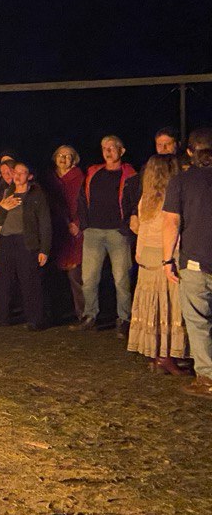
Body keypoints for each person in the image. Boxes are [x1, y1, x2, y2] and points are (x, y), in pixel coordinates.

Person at [161, 127, 212, 398]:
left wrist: (167, 259)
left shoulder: (181, 181)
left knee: (198, 320)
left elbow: (171, 221)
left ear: (190, 152)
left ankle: (207, 377)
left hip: (195, 260)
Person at [127, 155, 188, 373]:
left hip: (147, 255)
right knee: (168, 306)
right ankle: (165, 355)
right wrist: (172, 257)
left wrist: (139, 254)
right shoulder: (170, 198)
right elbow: (171, 229)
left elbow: (142, 228)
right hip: (165, 254)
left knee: (153, 304)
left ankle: (156, 354)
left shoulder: (147, 197)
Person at [74, 135, 137, 336]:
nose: (108, 152)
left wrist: (127, 226)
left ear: (122, 151)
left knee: (121, 278)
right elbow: (82, 199)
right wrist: (85, 225)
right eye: (104, 148)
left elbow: (136, 203)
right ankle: (90, 315)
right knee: (89, 278)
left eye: (112, 147)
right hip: (93, 232)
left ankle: (124, 319)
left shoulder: (130, 175)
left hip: (118, 233)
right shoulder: (93, 172)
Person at [0, 162, 51, 330]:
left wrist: (44, 249)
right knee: (4, 280)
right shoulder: (8, 192)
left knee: (29, 280)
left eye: (22, 173)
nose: (17, 176)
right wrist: (3, 207)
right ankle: (3, 316)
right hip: (6, 240)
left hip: (26, 241)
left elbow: (45, 223)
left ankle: (34, 319)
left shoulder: (36, 195)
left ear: (29, 176)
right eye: (15, 172)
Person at [47, 145, 86, 323]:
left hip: (74, 229)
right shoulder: (49, 178)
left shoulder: (80, 178)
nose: (63, 158)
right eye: (60, 155)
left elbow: (85, 203)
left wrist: (77, 224)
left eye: (68, 156)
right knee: (54, 274)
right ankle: (57, 312)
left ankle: (83, 313)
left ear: (74, 159)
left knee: (75, 274)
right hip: (54, 229)